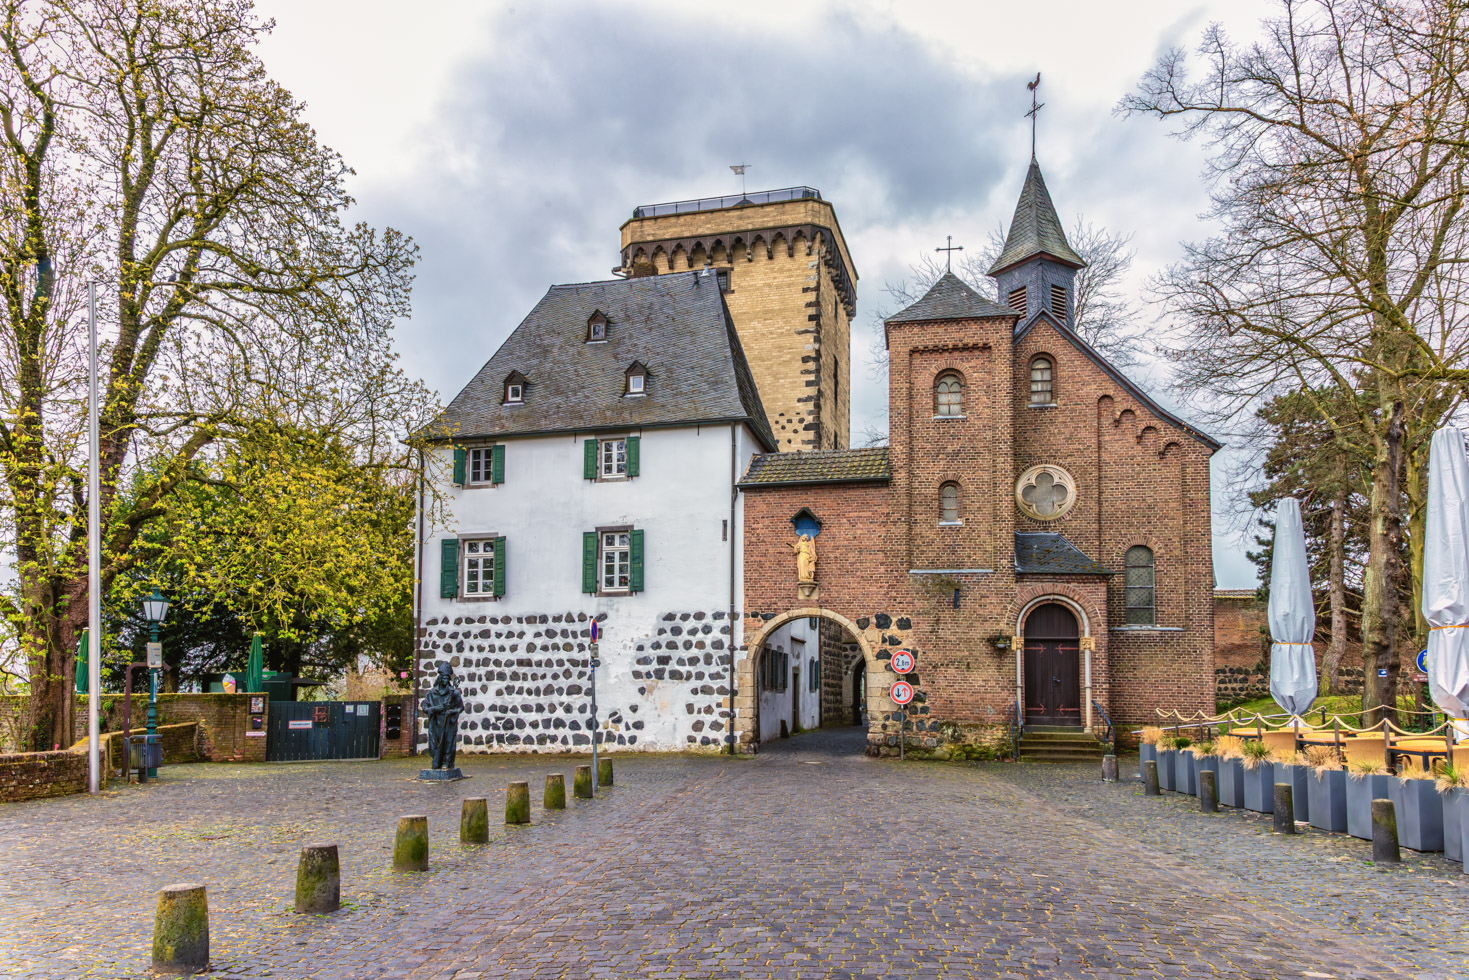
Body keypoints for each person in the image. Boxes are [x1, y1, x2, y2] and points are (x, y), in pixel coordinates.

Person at [422, 662, 464, 770]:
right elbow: (425, 707)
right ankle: (436, 763)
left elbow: (461, 707)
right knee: (435, 744)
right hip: (436, 723)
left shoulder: (454, 693)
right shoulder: (432, 693)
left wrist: (452, 712)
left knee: (448, 743)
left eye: (447, 678)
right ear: (439, 678)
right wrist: (435, 709)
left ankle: (448, 764)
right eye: (443, 678)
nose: (445, 681)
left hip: (449, 722)